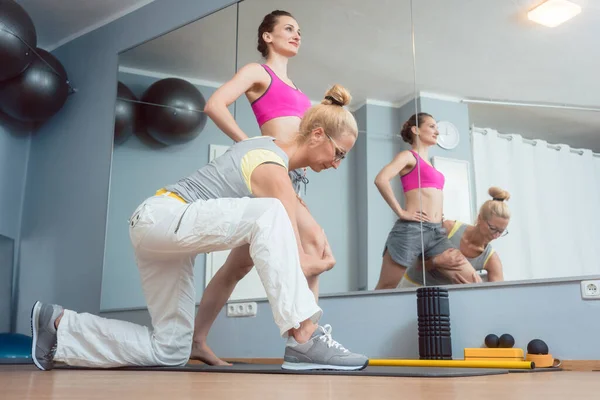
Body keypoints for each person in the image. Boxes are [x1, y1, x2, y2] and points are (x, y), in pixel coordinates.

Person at [30, 84, 369, 372]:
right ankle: (305, 337)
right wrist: (321, 266)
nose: (337, 164)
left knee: (170, 350)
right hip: (161, 215)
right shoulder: (270, 164)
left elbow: (254, 259)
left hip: (166, 235)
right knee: (271, 214)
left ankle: (59, 325)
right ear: (318, 134)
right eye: (338, 153)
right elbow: (292, 253)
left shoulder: (272, 172)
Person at [193, 10, 334, 365]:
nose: (296, 34)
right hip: (266, 174)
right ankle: (308, 341)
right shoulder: (259, 72)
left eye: (299, 30)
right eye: (288, 28)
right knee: (315, 244)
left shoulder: (301, 91)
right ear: (267, 37)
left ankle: (197, 340)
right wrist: (252, 148)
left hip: (289, 179)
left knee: (236, 267)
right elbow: (214, 104)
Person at [374, 112, 481, 290]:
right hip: (412, 231)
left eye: (437, 128)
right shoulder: (408, 156)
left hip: (436, 233)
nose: (437, 132)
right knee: (386, 287)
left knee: (472, 280)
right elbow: (381, 179)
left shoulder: (430, 165)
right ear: (416, 130)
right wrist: (401, 212)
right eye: (432, 126)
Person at [399, 187, 510, 287]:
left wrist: (477, 291)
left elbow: (497, 296)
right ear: (480, 218)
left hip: (446, 297)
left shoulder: (491, 259)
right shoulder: (449, 228)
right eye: (492, 228)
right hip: (413, 286)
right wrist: (435, 262)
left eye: (501, 231)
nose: (496, 236)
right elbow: (414, 263)